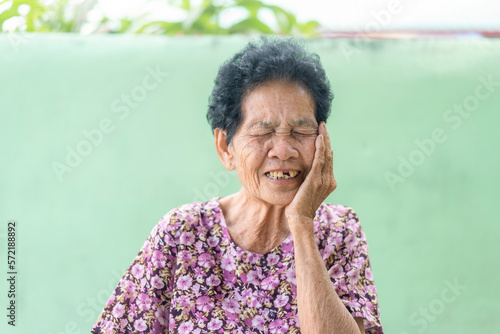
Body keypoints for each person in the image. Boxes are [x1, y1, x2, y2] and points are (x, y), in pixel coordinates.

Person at [91, 36, 383, 334]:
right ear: (225, 147)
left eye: (300, 130)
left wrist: (301, 224)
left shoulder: (339, 231)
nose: (283, 150)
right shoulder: (182, 233)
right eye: (263, 132)